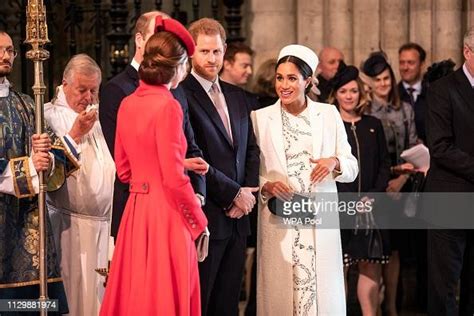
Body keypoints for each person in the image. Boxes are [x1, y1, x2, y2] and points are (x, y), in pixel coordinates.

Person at [100, 17, 208, 316]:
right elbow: (174, 179)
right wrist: (198, 220)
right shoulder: (168, 105)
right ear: (178, 66)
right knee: (164, 295)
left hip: (136, 212)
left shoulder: (128, 103)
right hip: (166, 215)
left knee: (137, 294)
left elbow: (124, 170)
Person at [251, 44, 358, 315]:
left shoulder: (329, 114)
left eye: (292, 78)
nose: (284, 85)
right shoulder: (259, 118)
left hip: (318, 219)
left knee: (323, 297)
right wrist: (267, 185)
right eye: (279, 77)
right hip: (280, 220)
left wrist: (334, 163)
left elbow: (351, 166)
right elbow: (250, 170)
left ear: (308, 81)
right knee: (280, 298)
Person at [181, 18, 260, 316]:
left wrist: (247, 194)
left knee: (228, 303)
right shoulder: (182, 94)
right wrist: (232, 194)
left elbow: (252, 148)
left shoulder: (238, 96)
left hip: (239, 217)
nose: (211, 58)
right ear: (191, 52)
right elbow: (194, 156)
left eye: (216, 51)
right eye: (204, 51)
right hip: (207, 214)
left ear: (225, 50)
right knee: (202, 299)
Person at [0, 30, 79, 313]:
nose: (6, 56)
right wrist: (31, 165)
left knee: (28, 307)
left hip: (28, 228)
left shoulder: (27, 105)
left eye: (10, 50)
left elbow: (54, 165)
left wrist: (53, 153)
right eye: (1, 50)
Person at [44, 54, 115, 316]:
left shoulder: (95, 116)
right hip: (68, 226)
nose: (88, 97)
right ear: (65, 84)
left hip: (102, 225)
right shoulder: (48, 115)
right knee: (73, 302)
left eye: (94, 90)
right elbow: (49, 172)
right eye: (82, 90)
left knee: (98, 302)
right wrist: (74, 133)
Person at [328, 64, 391, 315]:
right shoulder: (330, 128)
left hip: (371, 206)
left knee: (370, 265)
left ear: (360, 93)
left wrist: (373, 195)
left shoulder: (373, 124)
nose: (349, 96)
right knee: (338, 268)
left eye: (353, 91)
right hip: (340, 207)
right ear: (335, 95)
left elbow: (385, 164)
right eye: (344, 91)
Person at [362, 52, 419, 316]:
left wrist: (402, 179)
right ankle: (372, 304)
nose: (383, 84)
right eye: (378, 79)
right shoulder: (364, 110)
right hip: (375, 187)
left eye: (387, 78)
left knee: (395, 249)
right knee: (375, 249)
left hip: (400, 188)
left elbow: (414, 146)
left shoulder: (405, 109)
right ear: (370, 83)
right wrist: (384, 182)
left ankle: (392, 305)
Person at [424, 27, 474, 316]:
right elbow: (440, 147)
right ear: (467, 52)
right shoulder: (443, 90)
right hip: (450, 198)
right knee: (444, 285)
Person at [398, 43, 428, 142]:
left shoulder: (432, 94)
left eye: (410, 63)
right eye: (402, 62)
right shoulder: (393, 95)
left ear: (422, 64)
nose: (405, 67)